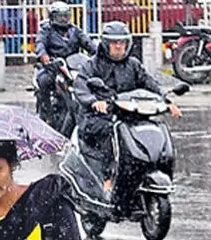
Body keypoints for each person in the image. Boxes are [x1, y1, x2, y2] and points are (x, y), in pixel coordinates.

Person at [71, 21, 180, 193]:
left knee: (154, 128)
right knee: (110, 131)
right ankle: (107, 176)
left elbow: (149, 83)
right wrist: (94, 102)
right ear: (106, 44)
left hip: (128, 113)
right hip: (98, 116)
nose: (119, 47)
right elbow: (81, 86)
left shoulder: (133, 64)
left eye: (122, 43)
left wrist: (166, 100)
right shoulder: (92, 65)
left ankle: (152, 167)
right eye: (114, 43)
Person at [33, 2, 95, 122]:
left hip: (72, 66)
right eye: (60, 16)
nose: (63, 19)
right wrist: (44, 55)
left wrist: (99, 54)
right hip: (53, 65)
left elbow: (88, 43)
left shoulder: (75, 30)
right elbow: (40, 43)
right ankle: (47, 114)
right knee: (44, 81)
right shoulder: (46, 30)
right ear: (52, 17)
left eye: (65, 16)